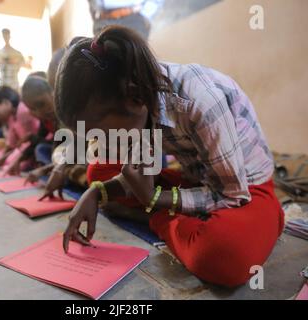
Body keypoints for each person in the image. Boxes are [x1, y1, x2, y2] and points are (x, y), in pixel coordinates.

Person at [54, 26, 284, 288]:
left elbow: (231, 195)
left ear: (135, 99)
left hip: (246, 189)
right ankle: (181, 221)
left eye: (101, 133)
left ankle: (156, 218)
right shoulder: (134, 100)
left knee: (224, 256)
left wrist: (153, 200)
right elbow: (143, 169)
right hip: (198, 177)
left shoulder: (200, 101)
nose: (101, 142)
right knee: (99, 174)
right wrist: (95, 193)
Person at [0, 86, 40, 172]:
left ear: (6, 103)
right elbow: (12, 145)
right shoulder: (11, 117)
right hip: (23, 148)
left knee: (12, 162)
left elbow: (31, 143)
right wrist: (1, 157)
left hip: (32, 149)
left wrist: (2, 160)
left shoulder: (23, 111)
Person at [88, 0, 163, 40]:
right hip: (103, 19)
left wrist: (144, 15)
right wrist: (94, 14)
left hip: (133, 19)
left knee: (133, 62)